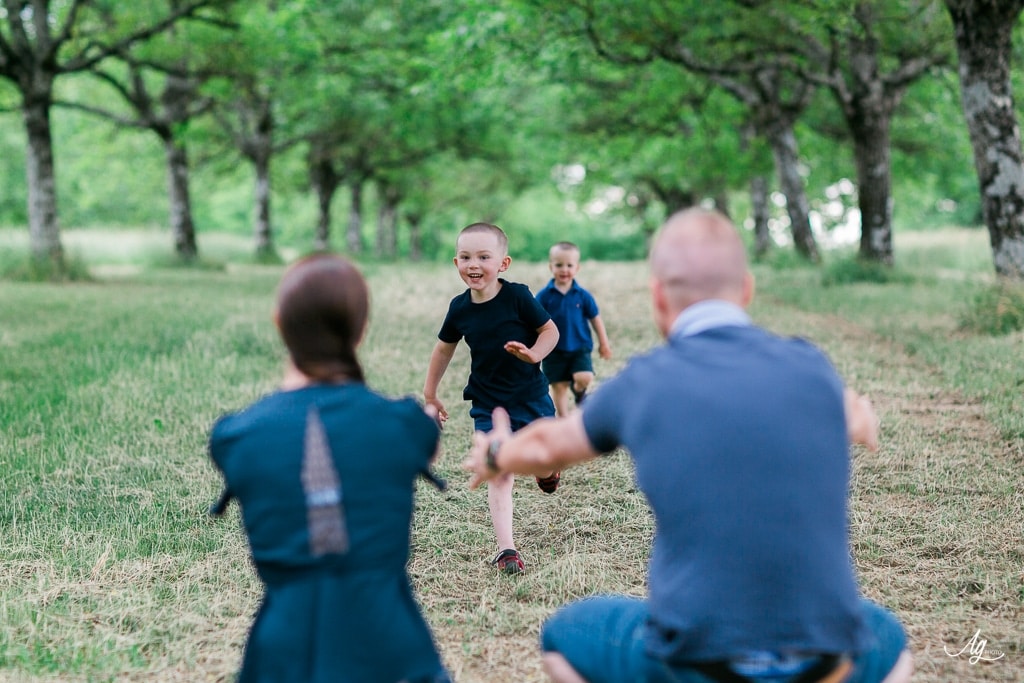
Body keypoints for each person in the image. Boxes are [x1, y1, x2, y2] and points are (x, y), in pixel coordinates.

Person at [463, 209, 913, 683]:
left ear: (658, 298)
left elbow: (548, 448)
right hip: (827, 658)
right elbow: (856, 414)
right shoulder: (812, 366)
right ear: (747, 290)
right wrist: (859, 421)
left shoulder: (645, 382)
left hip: (697, 659)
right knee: (891, 641)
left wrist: (497, 454)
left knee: (564, 637)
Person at [209, 253, 450, 683]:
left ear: (279, 323)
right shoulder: (404, 424)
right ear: (361, 331)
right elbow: (421, 444)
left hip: (284, 648)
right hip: (391, 643)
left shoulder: (235, 435)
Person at [423, 222, 561, 574]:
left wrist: (533, 354)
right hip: (488, 402)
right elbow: (443, 349)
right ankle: (507, 550)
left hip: (530, 397)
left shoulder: (517, 297)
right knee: (498, 469)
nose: (474, 264)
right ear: (456, 263)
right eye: (466, 257)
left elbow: (550, 330)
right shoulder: (460, 309)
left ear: (503, 263)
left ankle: (547, 471)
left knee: (542, 459)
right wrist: (431, 393)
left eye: (484, 256)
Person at [536, 241, 613, 416]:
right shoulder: (544, 296)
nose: (564, 269)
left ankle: (579, 393)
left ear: (577, 268)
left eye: (569, 265)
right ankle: (564, 420)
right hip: (553, 350)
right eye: (559, 265)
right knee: (559, 386)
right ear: (551, 267)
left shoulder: (583, 295)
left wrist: (604, 343)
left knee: (584, 377)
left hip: (580, 346)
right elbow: (534, 321)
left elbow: (595, 319)